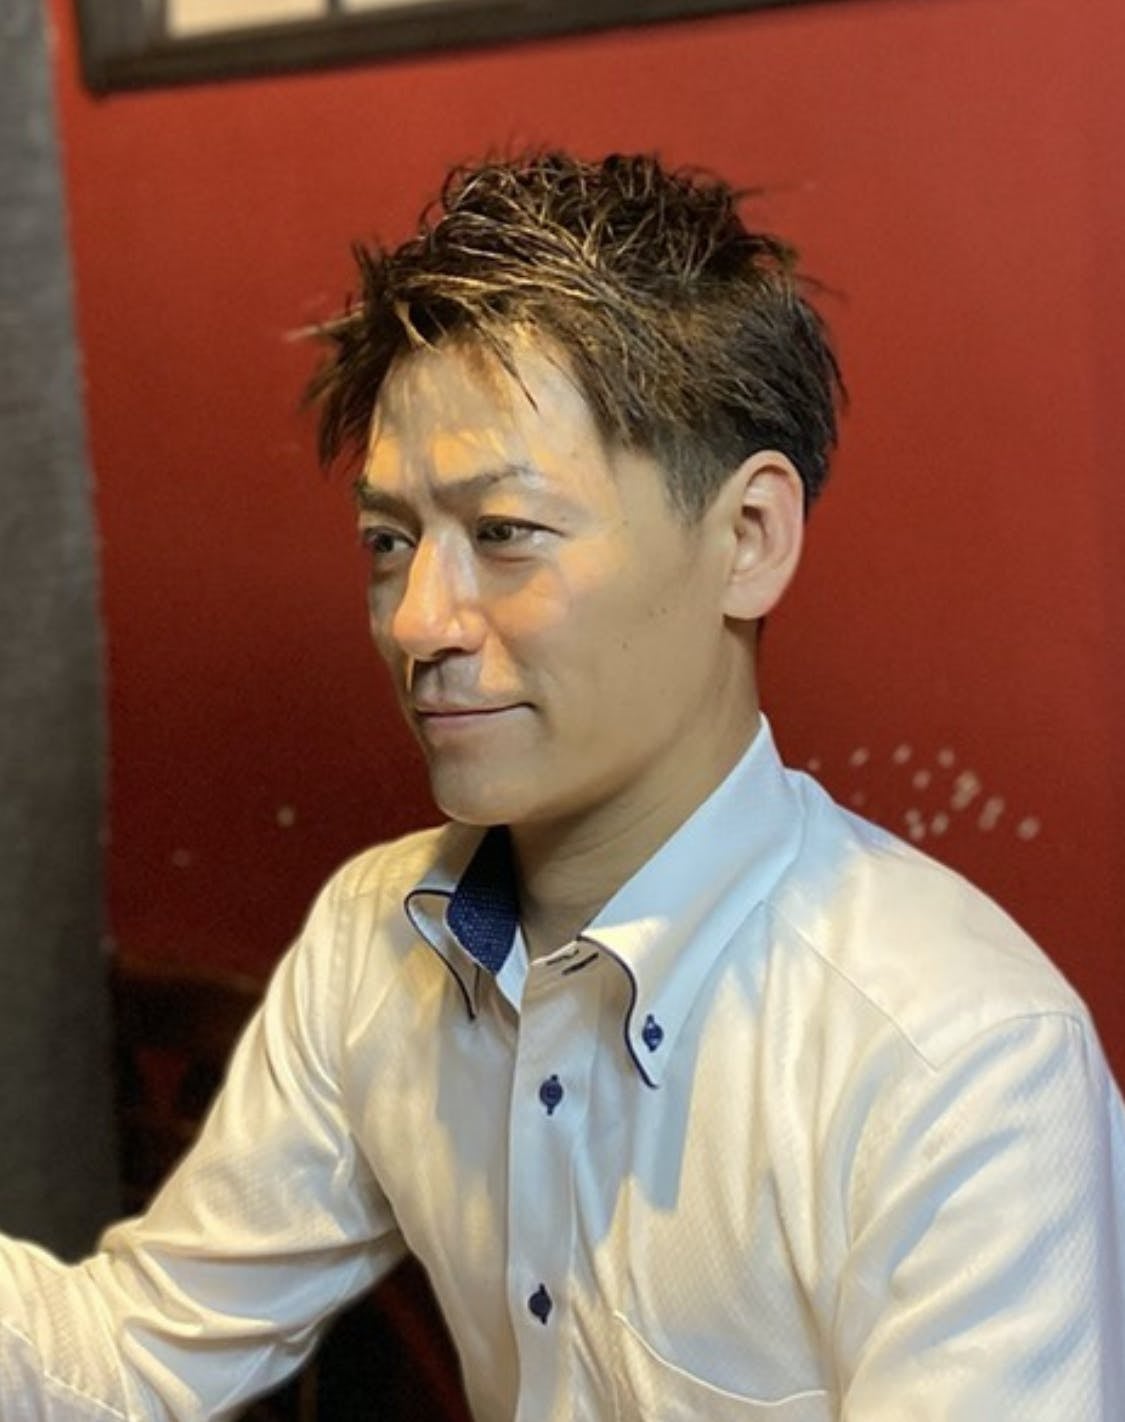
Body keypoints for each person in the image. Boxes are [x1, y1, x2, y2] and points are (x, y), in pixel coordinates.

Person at [2, 151, 1123, 1421]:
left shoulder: (959, 1059)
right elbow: (137, 1354)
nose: (419, 621)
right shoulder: (381, 938)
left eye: (504, 533)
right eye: (388, 542)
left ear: (747, 538)